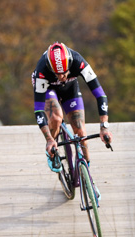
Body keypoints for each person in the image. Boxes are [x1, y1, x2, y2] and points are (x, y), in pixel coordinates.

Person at [32, 42, 113, 172]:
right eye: (56, 73)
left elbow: (100, 95)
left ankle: (86, 175)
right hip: (49, 88)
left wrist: (104, 127)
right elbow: (39, 110)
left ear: (70, 64)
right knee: (56, 117)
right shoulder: (42, 70)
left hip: (70, 88)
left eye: (64, 73)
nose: (60, 77)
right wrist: (49, 140)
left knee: (81, 133)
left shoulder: (78, 61)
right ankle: (52, 152)